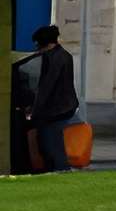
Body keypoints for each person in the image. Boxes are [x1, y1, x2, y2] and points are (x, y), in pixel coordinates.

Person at [26, 22, 80, 172]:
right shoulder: (64, 55)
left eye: (38, 45)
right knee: (54, 141)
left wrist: (34, 110)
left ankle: (61, 170)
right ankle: (60, 169)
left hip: (56, 109)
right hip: (64, 106)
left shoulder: (53, 59)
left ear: (46, 44)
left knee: (52, 143)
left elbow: (46, 87)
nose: (37, 49)